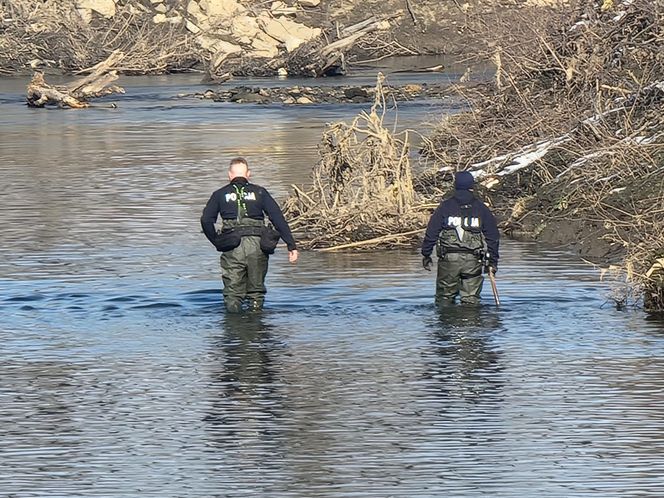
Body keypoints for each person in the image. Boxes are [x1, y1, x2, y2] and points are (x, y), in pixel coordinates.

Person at [201, 157, 298, 313]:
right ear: (248, 174)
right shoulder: (260, 192)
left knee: (233, 293)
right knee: (256, 292)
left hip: (232, 246)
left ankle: (234, 328)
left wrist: (217, 241)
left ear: (229, 175)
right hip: (258, 246)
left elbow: (206, 220)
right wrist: (291, 244)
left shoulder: (219, 194)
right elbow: (277, 217)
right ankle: (255, 326)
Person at [421, 171, 499, 305]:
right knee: (471, 300)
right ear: (471, 187)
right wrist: (492, 261)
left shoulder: (445, 207)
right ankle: (470, 323)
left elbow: (431, 232)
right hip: (473, 261)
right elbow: (493, 236)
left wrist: (426, 254)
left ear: (455, 186)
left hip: (449, 260)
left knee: (444, 299)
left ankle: (447, 323)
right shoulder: (481, 208)